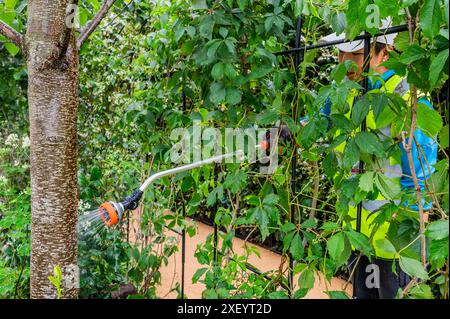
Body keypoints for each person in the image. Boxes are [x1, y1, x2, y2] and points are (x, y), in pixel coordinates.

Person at [263, 18, 438, 299]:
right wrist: (284, 134)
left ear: (385, 53)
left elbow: (422, 180)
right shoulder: (344, 93)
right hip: (355, 234)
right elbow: (318, 124)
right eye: (340, 53)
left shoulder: (407, 99)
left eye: (355, 54)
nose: (344, 62)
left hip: (395, 247)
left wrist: (414, 245)